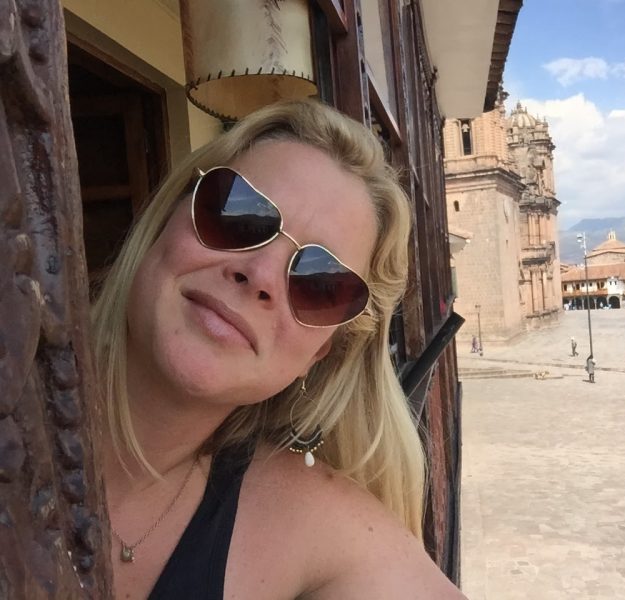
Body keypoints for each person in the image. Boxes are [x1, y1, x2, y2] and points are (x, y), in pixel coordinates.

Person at [91, 100, 465, 598]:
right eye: (237, 215)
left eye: (319, 281)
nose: (261, 275)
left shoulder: (319, 529)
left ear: (321, 352)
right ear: (166, 218)